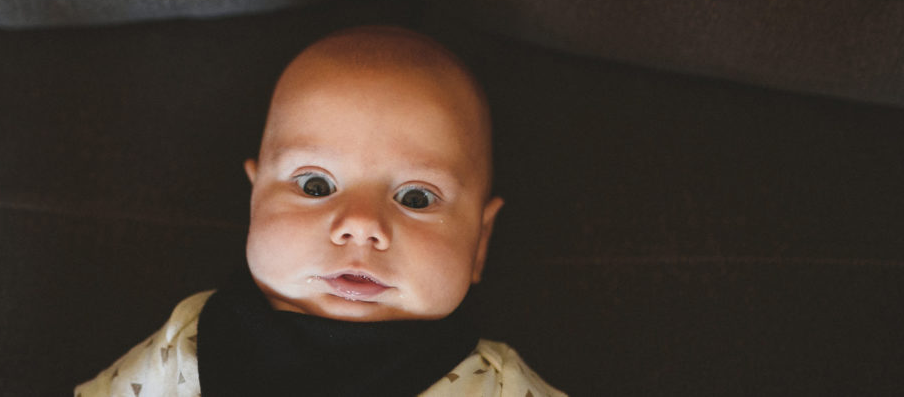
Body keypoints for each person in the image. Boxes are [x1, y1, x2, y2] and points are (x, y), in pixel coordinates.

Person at [76, 26, 567, 396]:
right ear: (255, 204)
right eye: (315, 184)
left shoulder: (499, 387)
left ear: (480, 243)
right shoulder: (192, 337)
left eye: (416, 198)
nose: (361, 225)